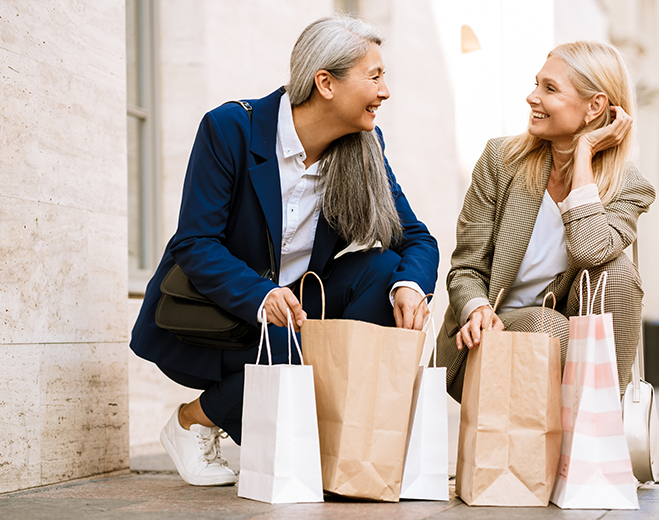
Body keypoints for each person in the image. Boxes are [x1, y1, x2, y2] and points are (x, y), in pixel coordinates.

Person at [130, 16, 439, 486]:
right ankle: (193, 420)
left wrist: (411, 286)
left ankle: (307, 429)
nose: (385, 91)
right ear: (326, 83)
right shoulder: (230, 128)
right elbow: (195, 242)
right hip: (220, 312)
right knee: (292, 328)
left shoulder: (365, 147)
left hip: (295, 315)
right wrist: (260, 295)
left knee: (384, 270)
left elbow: (415, 238)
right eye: (374, 77)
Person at [437, 40, 655, 402]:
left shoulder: (629, 187)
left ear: (595, 107)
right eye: (536, 83)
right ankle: (590, 432)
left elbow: (589, 250)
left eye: (549, 89)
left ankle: (600, 422)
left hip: (569, 343)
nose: (531, 97)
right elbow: (466, 268)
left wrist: (583, 154)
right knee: (545, 325)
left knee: (617, 273)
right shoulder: (500, 161)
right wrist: (476, 309)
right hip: (490, 332)